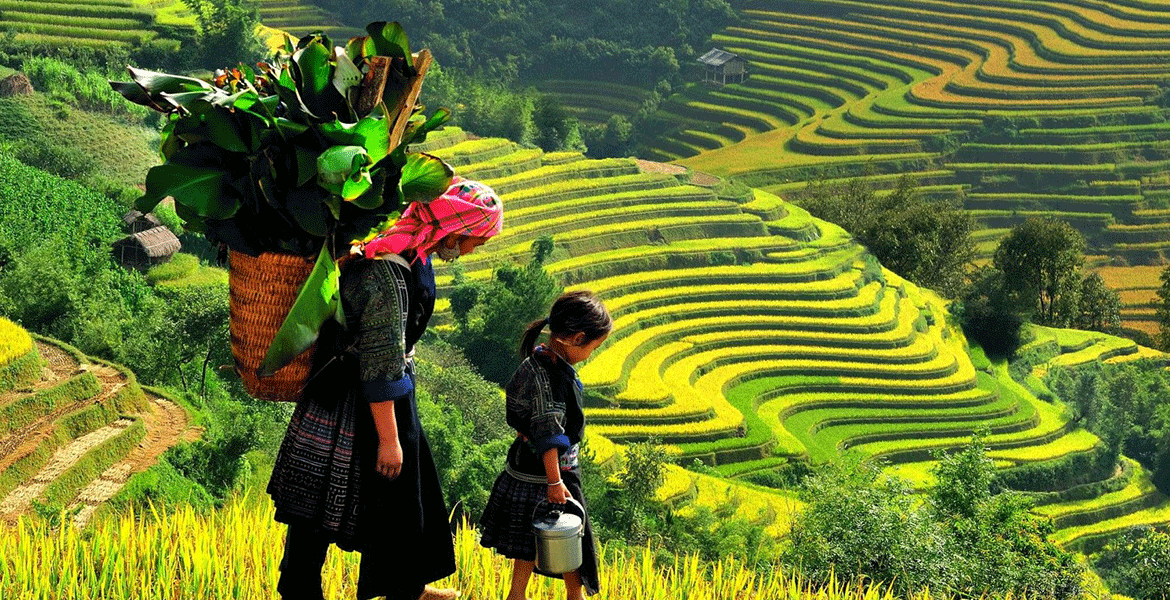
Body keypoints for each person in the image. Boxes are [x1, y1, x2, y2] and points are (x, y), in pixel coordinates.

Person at [266, 177, 504, 600]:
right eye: (473, 241)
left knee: (403, 499)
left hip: (378, 391)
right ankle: (301, 589)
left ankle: (406, 586)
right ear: (454, 227)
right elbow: (379, 363)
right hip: (355, 399)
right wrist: (390, 440)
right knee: (320, 504)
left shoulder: (413, 253)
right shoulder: (387, 271)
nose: (470, 251)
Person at [478, 290, 613, 600]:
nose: (591, 354)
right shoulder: (548, 376)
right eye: (594, 347)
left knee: (529, 536)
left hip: (525, 464)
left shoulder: (537, 361)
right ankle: (573, 596)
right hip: (552, 472)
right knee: (570, 534)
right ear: (577, 338)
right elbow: (547, 431)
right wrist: (555, 481)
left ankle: (517, 594)